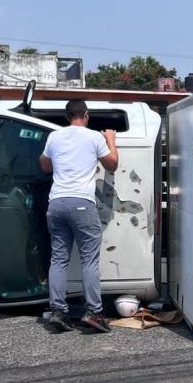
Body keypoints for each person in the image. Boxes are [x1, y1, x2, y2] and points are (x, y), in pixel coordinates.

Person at [39, 99, 119, 333]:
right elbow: (112, 164)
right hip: (81, 204)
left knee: (59, 259)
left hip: (56, 204)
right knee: (89, 260)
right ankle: (94, 313)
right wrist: (111, 141)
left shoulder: (54, 137)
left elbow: (44, 165)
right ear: (86, 114)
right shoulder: (94, 137)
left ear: (67, 116)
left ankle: (58, 312)